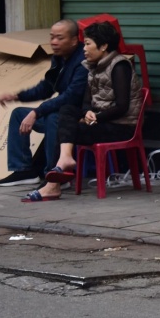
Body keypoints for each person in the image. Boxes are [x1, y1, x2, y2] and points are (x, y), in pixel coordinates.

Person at [23, 21, 143, 202]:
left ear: (103, 46)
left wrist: (96, 117)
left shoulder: (119, 66)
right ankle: (64, 161)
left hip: (120, 126)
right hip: (99, 122)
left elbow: (122, 107)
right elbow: (87, 101)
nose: (84, 49)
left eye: (87, 44)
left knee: (64, 129)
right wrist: (87, 112)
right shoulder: (92, 66)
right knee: (66, 110)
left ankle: (53, 183)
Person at [0, 19, 88, 187]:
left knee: (54, 118)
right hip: (62, 112)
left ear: (74, 40)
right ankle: (23, 170)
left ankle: (55, 174)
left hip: (80, 116)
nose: (54, 42)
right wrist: (17, 95)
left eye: (60, 38)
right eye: (52, 37)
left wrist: (37, 112)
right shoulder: (59, 58)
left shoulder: (83, 61)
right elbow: (46, 87)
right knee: (19, 114)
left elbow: (71, 96)